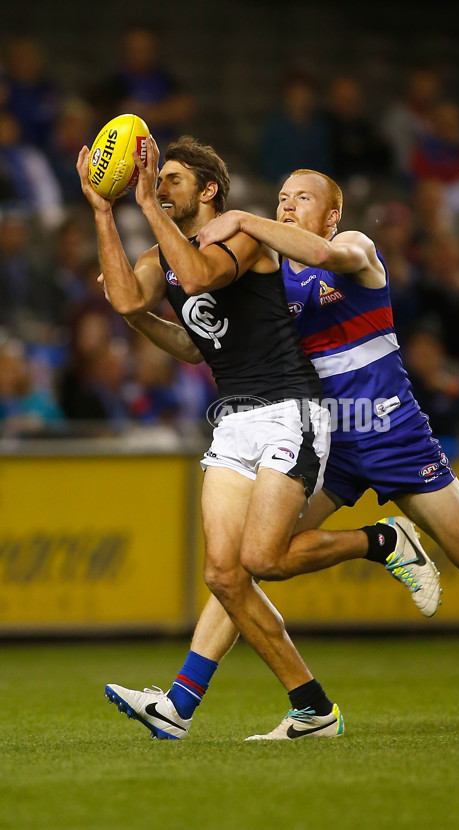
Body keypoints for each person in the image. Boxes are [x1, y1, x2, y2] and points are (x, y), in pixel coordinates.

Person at [106, 167, 459, 740]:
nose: (288, 205)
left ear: (332, 215)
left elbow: (326, 254)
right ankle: (182, 697)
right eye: (281, 198)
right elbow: (212, 337)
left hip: (394, 432)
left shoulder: (352, 247)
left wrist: (248, 218)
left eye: (303, 198)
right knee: (250, 564)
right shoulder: (270, 272)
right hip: (330, 439)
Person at [77, 136, 436, 742]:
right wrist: (102, 210)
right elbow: (125, 299)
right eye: (155, 179)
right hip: (233, 420)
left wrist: (146, 207)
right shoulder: (164, 248)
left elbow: (193, 278)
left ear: (209, 190)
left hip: (289, 411)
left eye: (171, 180)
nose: (159, 186)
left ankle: (382, 540)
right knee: (224, 575)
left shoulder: (244, 236)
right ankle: (307, 707)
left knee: (263, 559)